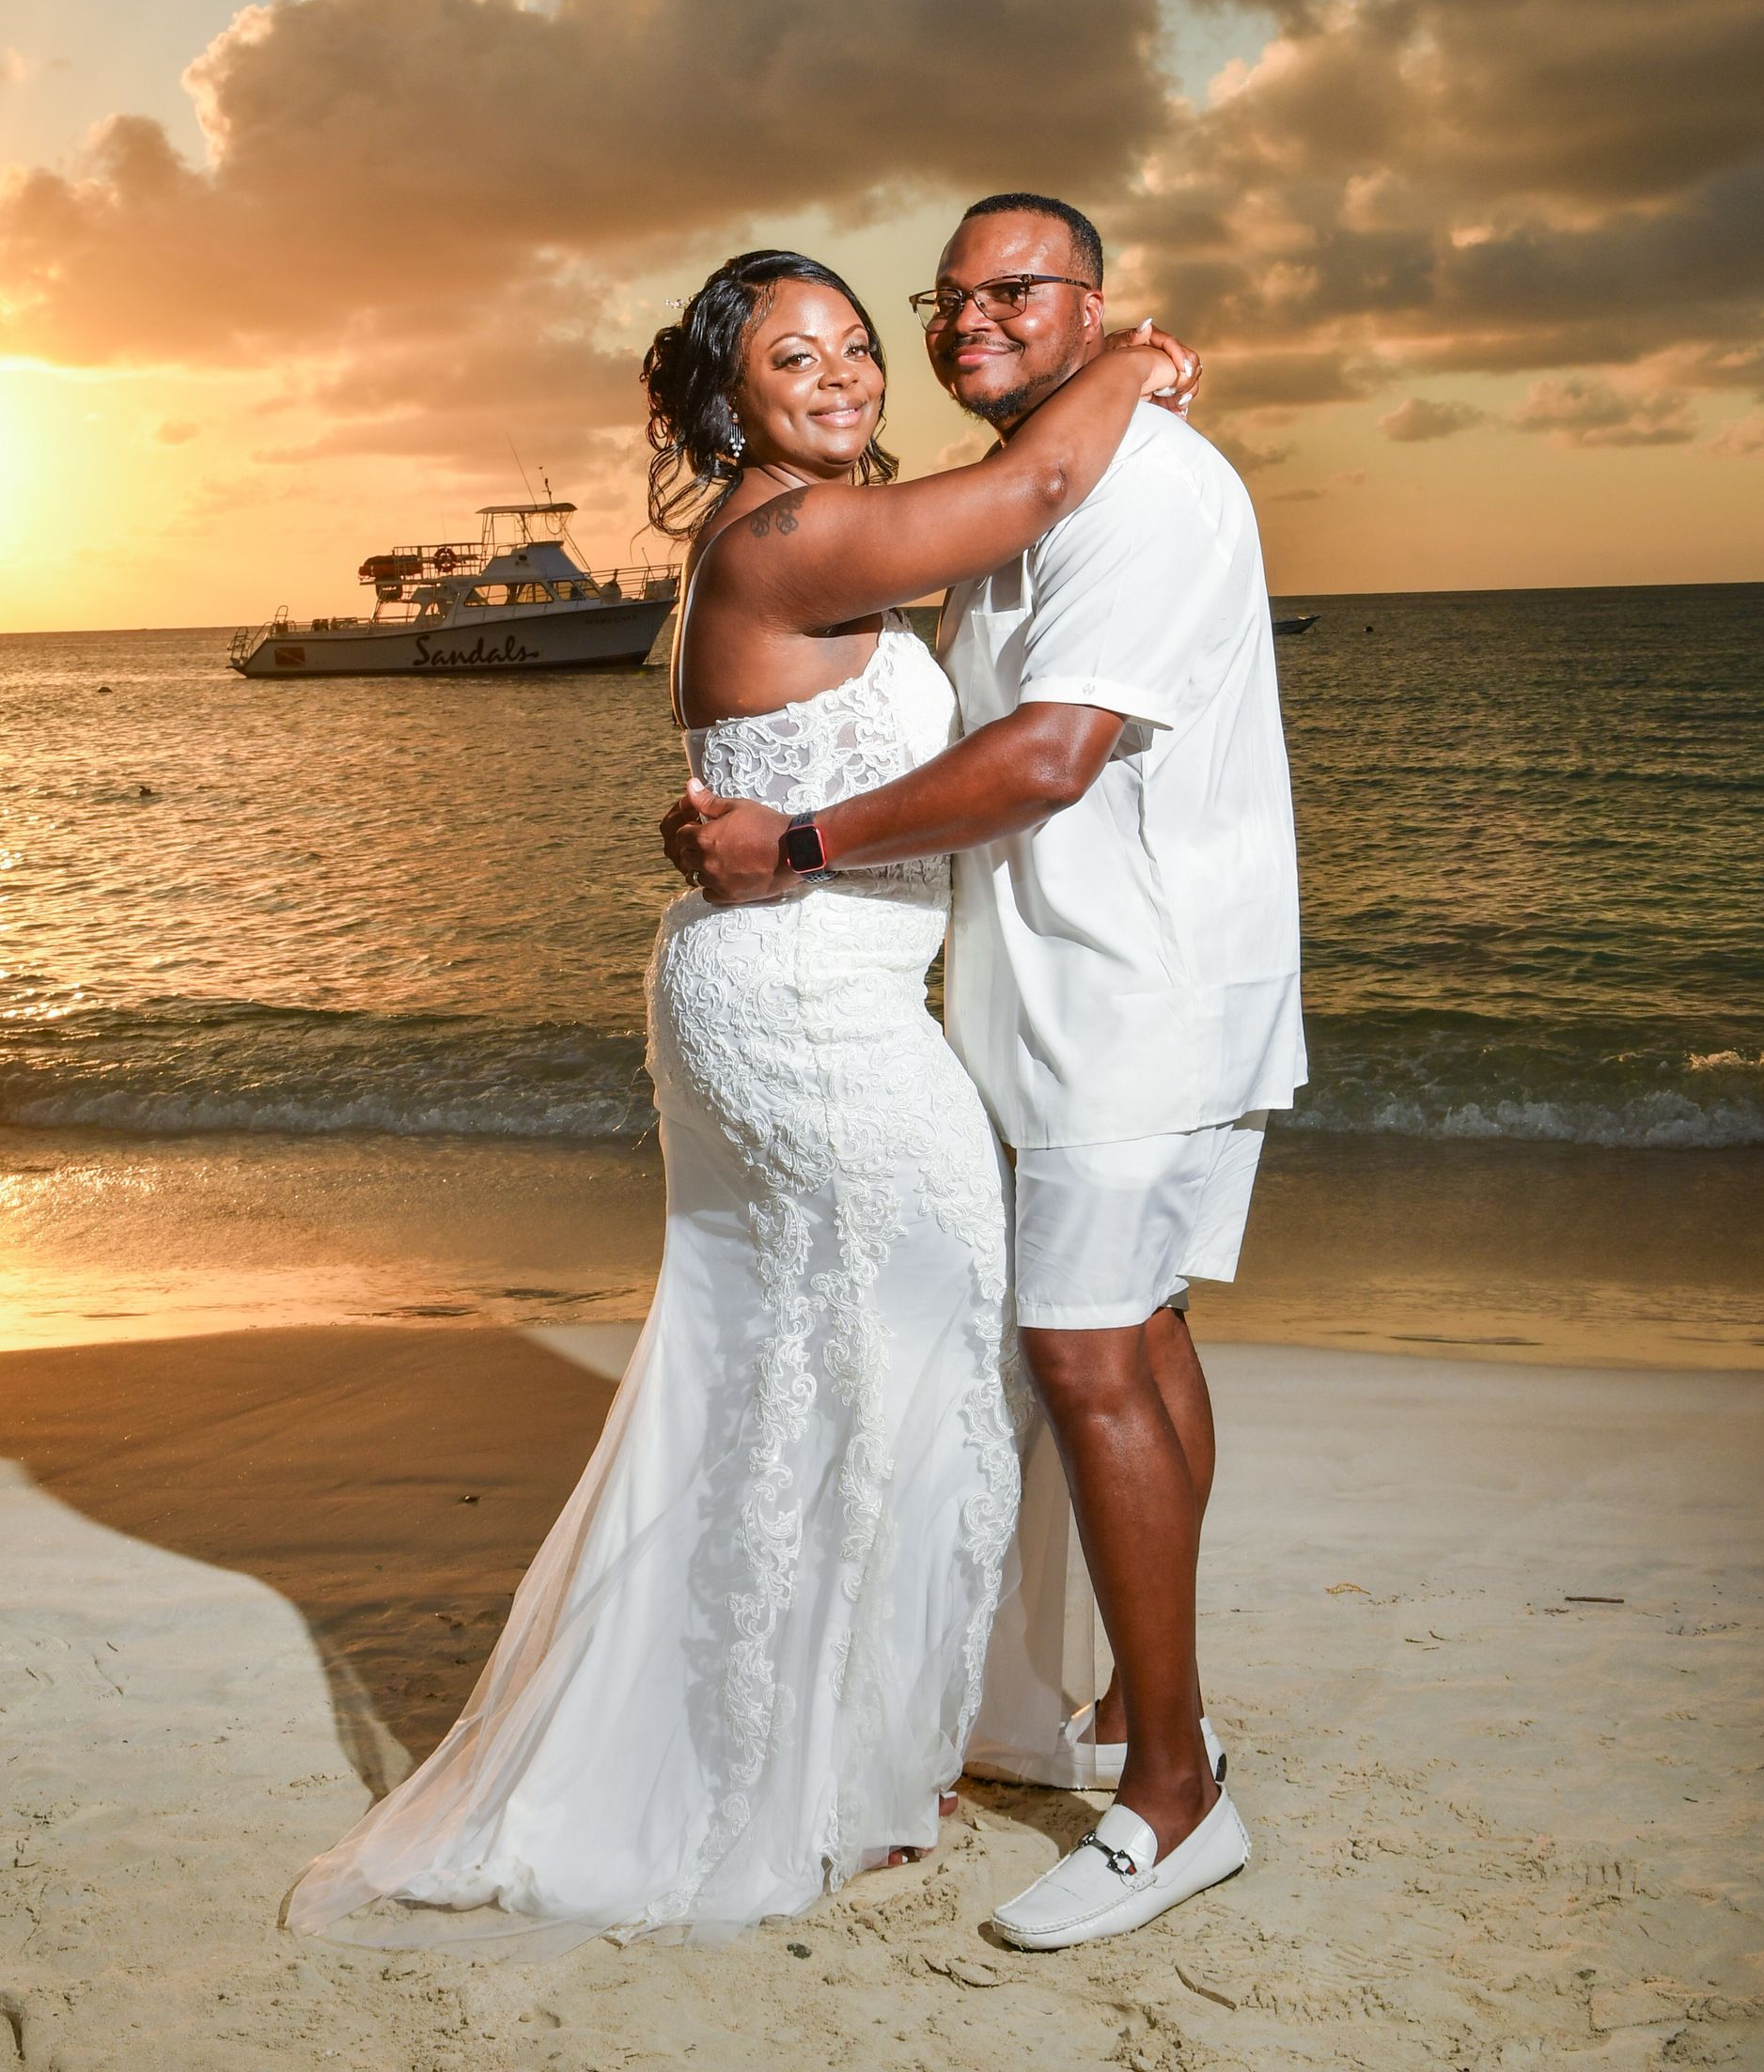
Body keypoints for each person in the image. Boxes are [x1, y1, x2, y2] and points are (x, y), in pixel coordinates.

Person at [283, 246, 1195, 1947]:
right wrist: (1130, 360)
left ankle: (862, 1735)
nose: (846, 373)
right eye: (799, 358)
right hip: (806, 1014)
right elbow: (1038, 480)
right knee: (911, 1348)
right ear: (729, 404)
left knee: (825, 1362)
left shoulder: (793, 536)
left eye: (857, 344)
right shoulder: (796, 537)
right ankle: (843, 1771)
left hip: (784, 994)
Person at [668, 194, 1305, 1952]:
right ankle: (1111, 1711)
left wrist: (791, 839)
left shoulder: (1139, 486)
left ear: (1088, 302)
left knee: (1086, 1348)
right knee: (1130, 1338)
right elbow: (948, 581)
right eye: (940, 301)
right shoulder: (995, 491)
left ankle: (1173, 1794)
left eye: (1007, 295)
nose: (951, 329)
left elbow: (1045, 753)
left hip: (1137, 990)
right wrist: (1116, 375)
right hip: (1020, 997)